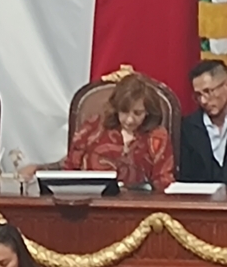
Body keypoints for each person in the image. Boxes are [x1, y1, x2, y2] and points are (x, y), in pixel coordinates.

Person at [23, 73, 174, 190]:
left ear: (148, 112)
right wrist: (40, 169)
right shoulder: (93, 127)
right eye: (124, 112)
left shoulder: (157, 136)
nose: (129, 120)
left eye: (137, 113)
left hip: (137, 207)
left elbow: (163, 182)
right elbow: (70, 167)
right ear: (116, 108)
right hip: (90, 204)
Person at [180, 59, 227, 182]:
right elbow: (185, 177)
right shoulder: (188, 128)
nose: (203, 101)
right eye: (198, 95)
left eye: (208, 92)